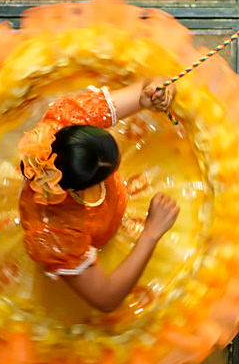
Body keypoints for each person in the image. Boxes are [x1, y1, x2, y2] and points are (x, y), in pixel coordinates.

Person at [18, 78, 181, 311]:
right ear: (78, 189)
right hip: (85, 234)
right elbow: (106, 299)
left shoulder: (69, 117)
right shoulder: (54, 232)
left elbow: (144, 88)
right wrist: (151, 232)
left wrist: (153, 95)